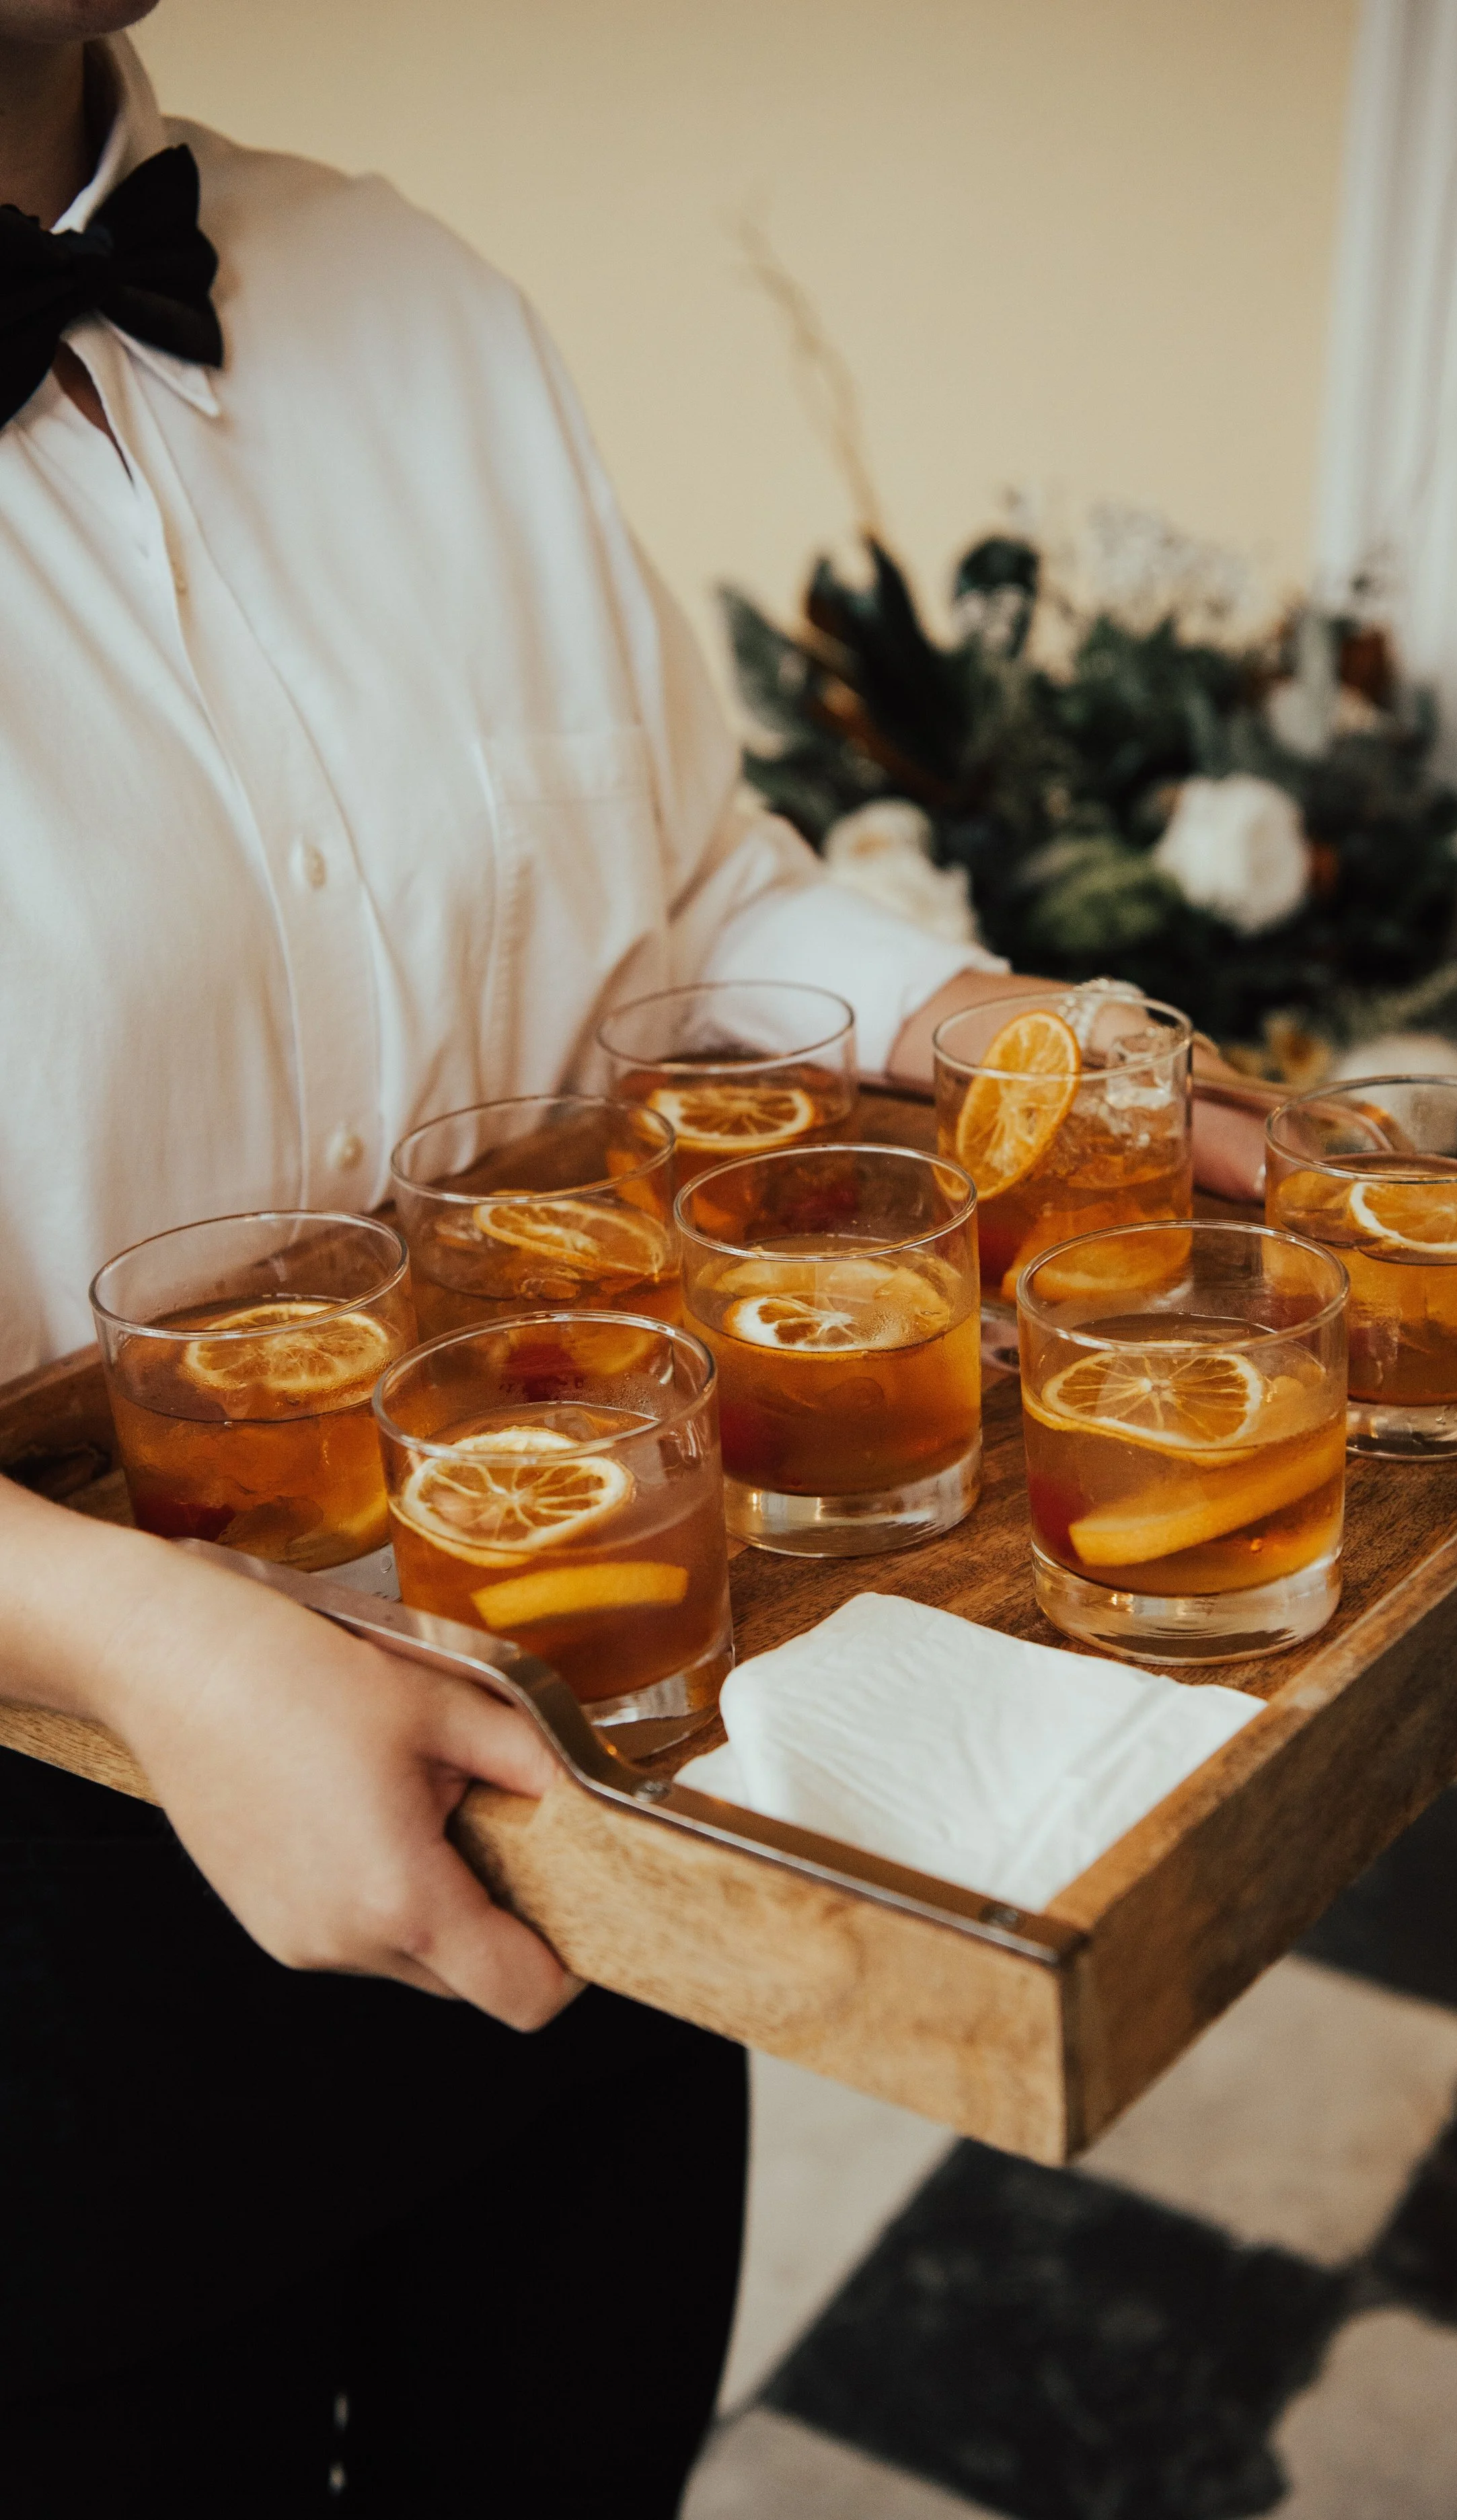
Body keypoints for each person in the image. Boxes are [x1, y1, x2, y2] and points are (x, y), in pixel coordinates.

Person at [0, 12, 1263, 2509]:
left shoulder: (410, 292)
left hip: (625, 1720)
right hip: (56, 1907)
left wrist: (961, 1009)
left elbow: (677, 900)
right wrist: (132, 1636)